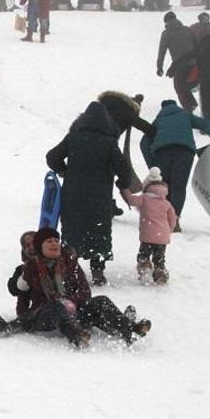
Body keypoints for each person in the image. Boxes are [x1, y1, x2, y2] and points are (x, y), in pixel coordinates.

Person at [0, 228, 150, 346]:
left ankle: (129, 329)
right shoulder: (28, 269)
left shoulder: (69, 262)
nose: (54, 244)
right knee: (56, 306)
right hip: (47, 315)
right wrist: (21, 321)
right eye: (48, 241)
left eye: (55, 240)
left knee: (101, 301)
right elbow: (19, 294)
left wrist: (72, 302)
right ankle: (76, 335)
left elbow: (85, 290)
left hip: (75, 311)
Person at [46, 102, 136, 285]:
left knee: (73, 230)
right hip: (99, 197)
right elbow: (124, 168)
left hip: (74, 195)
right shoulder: (109, 142)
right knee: (99, 230)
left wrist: (64, 171)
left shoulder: (73, 138)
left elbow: (52, 157)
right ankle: (97, 272)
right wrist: (122, 183)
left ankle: (69, 270)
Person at [139, 99, 210, 227]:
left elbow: (144, 143)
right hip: (184, 152)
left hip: (162, 153)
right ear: (176, 106)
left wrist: (152, 165)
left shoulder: (158, 121)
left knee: (165, 187)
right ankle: (174, 219)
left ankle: (165, 217)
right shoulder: (185, 115)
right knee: (179, 186)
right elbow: (204, 123)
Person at [121, 167, 178, 284]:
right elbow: (173, 219)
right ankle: (160, 272)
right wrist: (169, 230)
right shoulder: (167, 203)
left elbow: (131, 200)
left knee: (144, 254)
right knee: (159, 259)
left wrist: (124, 189)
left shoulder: (144, 198)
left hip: (148, 235)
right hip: (162, 237)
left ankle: (144, 266)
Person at [155, 11, 197, 111]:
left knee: (179, 86)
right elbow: (197, 45)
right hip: (195, 63)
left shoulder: (166, 34)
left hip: (180, 65)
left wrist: (159, 67)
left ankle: (189, 108)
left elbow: (162, 52)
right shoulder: (187, 30)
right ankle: (194, 89)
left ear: (166, 22)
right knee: (187, 83)